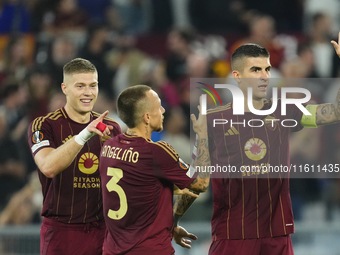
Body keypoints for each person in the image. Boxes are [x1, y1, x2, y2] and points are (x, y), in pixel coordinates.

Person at [173, 34, 340, 255]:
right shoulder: (212, 120)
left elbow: (335, 112)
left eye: (267, 69)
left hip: (277, 234)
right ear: (237, 76)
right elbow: (197, 177)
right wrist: (173, 221)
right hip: (233, 234)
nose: (264, 76)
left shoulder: (286, 110)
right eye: (255, 70)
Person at [99, 84, 210, 255]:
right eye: (159, 106)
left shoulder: (108, 147)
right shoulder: (157, 152)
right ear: (147, 117)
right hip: (149, 249)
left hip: (113, 250)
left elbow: (145, 188)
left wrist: (172, 224)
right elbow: (200, 183)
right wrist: (203, 136)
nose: (164, 110)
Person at [27, 58, 121, 255]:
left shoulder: (113, 128)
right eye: (80, 86)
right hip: (62, 233)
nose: (88, 92)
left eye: (92, 86)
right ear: (65, 88)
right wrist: (85, 134)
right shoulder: (43, 125)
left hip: (104, 232)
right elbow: (48, 166)